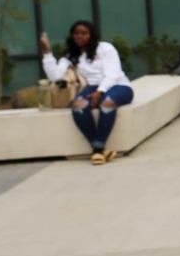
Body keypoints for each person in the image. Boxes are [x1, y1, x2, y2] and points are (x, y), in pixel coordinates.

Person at [40, 20, 132, 165]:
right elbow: (55, 76)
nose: (80, 36)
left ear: (91, 35)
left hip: (119, 86)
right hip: (93, 88)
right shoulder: (72, 55)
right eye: (76, 33)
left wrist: (100, 92)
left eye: (84, 33)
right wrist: (47, 53)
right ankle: (100, 149)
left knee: (107, 103)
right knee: (78, 105)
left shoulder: (105, 48)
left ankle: (97, 150)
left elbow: (113, 74)